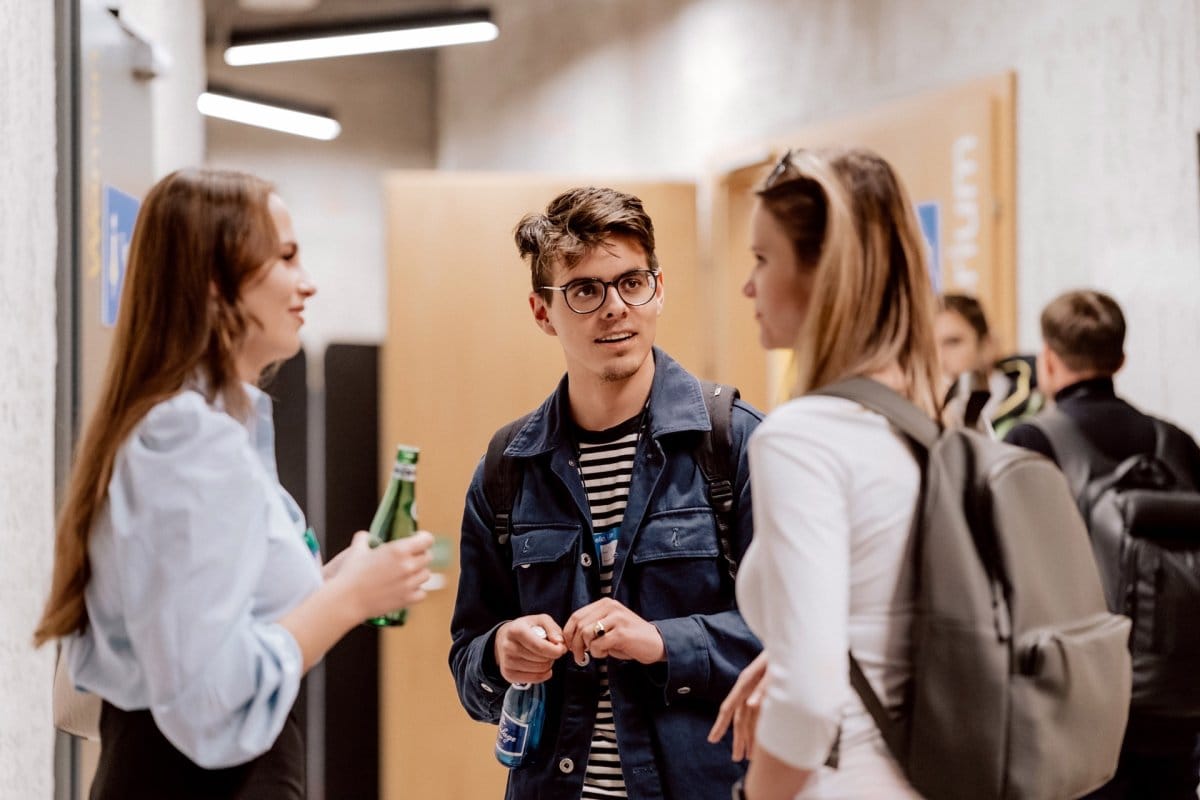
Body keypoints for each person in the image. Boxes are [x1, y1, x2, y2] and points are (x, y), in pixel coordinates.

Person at [33, 168, 434, 799]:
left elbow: (216, 616)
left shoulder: (216, 424)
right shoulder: (189, 438)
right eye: (286, 257)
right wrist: (348, 599)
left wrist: (339, 579)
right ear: (216, 283)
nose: (309, 283)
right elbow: (209, 696)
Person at [449, 186, 762, 799]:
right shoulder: (507, 468)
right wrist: (497, 655)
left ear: (659, 288)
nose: (615, 307)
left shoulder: (734, 444)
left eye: (631, 282)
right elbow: (468, 661)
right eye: (586, 290)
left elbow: (794, 644)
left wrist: (663, 641)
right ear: (543, 312)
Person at [709, 147, 940, 799]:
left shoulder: (803, 437)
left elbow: (810, 701)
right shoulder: (925, 421)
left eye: (762, 258)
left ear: (821, 273)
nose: (749, 286)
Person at [1005, 289, 1200, 799]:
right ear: (1120, 359)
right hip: (1177, 702)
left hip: (1081, 699)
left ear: (1047, 359)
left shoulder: (1031, 442)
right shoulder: (1177, 443)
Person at [935, 292, 1042, 436]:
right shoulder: (923, 413)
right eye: (929, 346)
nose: (939, 357)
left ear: (988, 345)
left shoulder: (1034, 411)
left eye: (953, 342)